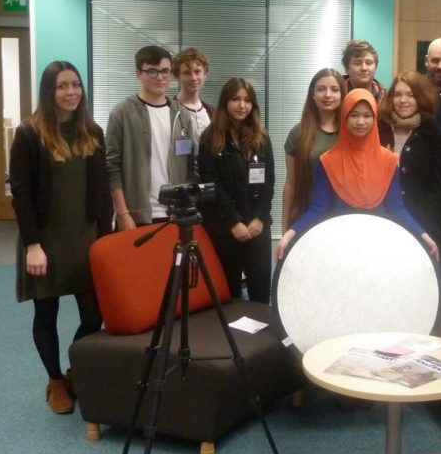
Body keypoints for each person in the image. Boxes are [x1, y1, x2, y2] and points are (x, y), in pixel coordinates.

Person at [9, 61, 112, 415]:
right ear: (48, 91)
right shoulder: (29, 133)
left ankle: (73, 370)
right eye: (62, 86)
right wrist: (32, 245)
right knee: (46, 310)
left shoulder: (92, 131)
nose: (71, 92)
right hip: (45, 239)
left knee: (94, 313)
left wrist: (106, 238)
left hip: (86, 236)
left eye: (76, 85)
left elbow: (102, 192)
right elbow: (20, 193)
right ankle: (55, 382)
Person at [276, 89, 438, 261]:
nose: (361, 121)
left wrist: (423, 235)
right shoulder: (328, 161)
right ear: (345, 117)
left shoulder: (389, 161)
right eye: (354, 115)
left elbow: (396, 208)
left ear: (374, 119)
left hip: (377, 243)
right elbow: (318, 208)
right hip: (339, 244)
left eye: (367, 116)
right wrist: (290, 234)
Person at [377, 71, 441, 304]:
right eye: (398, 94)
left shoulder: (435, 135)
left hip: (424, 222)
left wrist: (420, 222)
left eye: (410, 95)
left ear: (420, 98)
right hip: (384, 221)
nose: (403, 100)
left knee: (424, 286)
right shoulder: (376, 131)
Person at [198, 78, 274, 303]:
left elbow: (269, 181)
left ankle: (260, 338)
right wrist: (233, 222)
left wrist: (260, 218)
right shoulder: (210, 139)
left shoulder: (261, 138)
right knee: (228, 293)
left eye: (247, 100)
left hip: (257, 226)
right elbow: (211, 184)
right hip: (225, 227)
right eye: (236, 99)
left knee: (260, 291)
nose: (242, 105)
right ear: (225, 102)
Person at [106, 45, 198, 229]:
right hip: (136, 217)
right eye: (152, 72)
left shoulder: (182, 115)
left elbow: (191, 164)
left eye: (165, 72)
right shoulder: (122, 113)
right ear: (138, 74)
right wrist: (123, 214)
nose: (160, 77)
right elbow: (112, 168)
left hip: (175, 216)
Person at [281, 68, 346, 231]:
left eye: (334, 89)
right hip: (306, 216)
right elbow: (290, 183)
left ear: (342, 95)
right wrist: (285, 224)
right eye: (321, 89)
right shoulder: (298, 133)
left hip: (343, 218)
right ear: (312, 94)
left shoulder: (351, 132)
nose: (328, 95)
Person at [172, 46, 214, 154]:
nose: (193, 78)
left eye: (197, 71)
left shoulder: (213, 113)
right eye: (187, 73)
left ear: (205, 75)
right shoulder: (169, 111)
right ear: (177, 76)